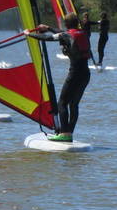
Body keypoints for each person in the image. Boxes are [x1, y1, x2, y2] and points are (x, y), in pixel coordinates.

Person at [28, 12, 92, 142]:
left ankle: (64, 133)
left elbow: (47, 38)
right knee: (73, 105)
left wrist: (28, 34)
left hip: (75, 73)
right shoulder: (83, 33)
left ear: (67, 24)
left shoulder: (67, 35)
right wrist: (48, 27)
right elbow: (63, 33)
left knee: (62, 103)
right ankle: (69, 133)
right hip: (85, 74)